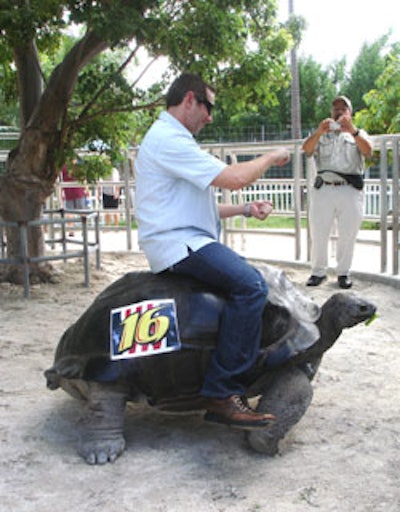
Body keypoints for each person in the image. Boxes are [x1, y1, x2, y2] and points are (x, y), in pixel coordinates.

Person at [135, 73, 291, 430]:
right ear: (190, 99)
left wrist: (244, 209)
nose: (211, 117)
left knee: (243, 283)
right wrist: (270, 156)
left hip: (181, 237)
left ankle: (222, 380)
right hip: (178, 245)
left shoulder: (172, 141)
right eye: (209, 107)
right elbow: (235, 178)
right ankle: (223, 391)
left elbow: (191, 207)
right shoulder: (168, 140)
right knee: (251, 286)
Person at [302, 95, 373, 289]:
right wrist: (318, 132)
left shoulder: (358, 133)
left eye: (343, 108)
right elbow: (306, 150)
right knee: (318, 232)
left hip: (349, 189)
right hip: (324, 188)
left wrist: (354, 131)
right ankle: (318, 272)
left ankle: (343, 273)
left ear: (350, 112)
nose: (339, 111)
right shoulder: (322, 134)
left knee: (348, 234)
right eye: (335, 108)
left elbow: (368, 151)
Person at [60, 159, 89, 236]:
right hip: (73, 191)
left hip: (74, 190)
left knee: (74, 211)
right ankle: (78, 229)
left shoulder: (65, 166)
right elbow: (83, 178)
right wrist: (86, 188)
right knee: (77, 211)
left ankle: (73, 230)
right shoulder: (75, 166)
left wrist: (86, 188)